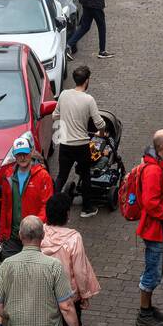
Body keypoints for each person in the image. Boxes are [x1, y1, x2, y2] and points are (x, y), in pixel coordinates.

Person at [0, 133, 54, 326]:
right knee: (8, 273)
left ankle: (37, 316)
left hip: (32, 236)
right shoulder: (8, 176)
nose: (22, 158)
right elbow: (6, 204)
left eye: (25, 153)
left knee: (32, 275)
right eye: (18, 154)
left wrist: (32, 226)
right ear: (14, 155)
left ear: (31, 152)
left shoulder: (42, 176)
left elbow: (46, 205)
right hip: (13, 236)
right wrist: (4, 230)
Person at [41, 192, 101, 326]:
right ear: (67, 214)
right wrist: (84, 294)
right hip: (69, 297)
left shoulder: (40, 234)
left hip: (46, 297)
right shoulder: (73, 239)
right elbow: (80, 271)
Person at [135, 129, 163, 326]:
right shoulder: (153, 170)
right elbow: (151, 204)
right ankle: (144, 314)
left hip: (161, 224)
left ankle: (148, 308)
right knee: (153, 270)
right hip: (155, 228)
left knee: (157, 267)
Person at [52, 65, 104, 218]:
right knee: (86, 175)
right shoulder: (89, 100)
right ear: (87, 81)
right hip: (81, 145)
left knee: (61, 176)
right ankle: (87, 208)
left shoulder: (64, 94)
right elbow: (100, 123)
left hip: (66, 144)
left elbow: (55, 115)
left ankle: (52, 207)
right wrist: (101, 132)